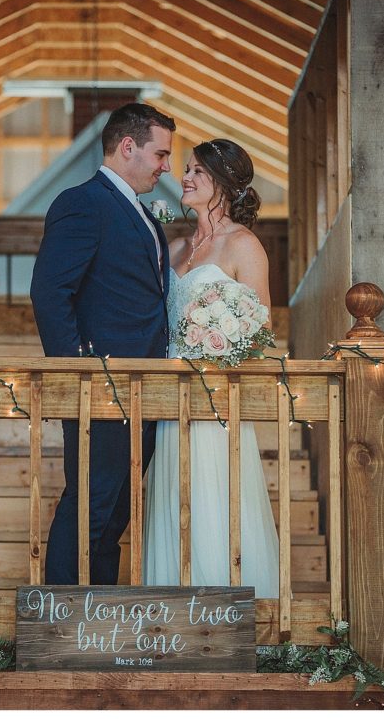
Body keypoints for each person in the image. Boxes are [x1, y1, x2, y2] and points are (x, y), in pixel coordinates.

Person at [31, 103, 175, 584]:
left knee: (115, 517)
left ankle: (98, 626)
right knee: (89, 507)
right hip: (102, 387)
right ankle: (59, 626)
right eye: (161, 153)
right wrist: (78, 373)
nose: (167, 166)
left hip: (146, 389)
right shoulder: (83, 202)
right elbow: (51, 293)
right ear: (128, 147)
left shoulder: (143, 215)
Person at [142, 138, 280, 595]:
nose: (184, 177)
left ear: (222, 181)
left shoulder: (243, 245)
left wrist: (217, 342)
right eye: (185, 168)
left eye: (196, 171)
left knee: (211, 503)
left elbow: (261, 327)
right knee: (172, 503)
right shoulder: (178, 247)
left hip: (215, 406)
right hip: (169, 401)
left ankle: (230, 614)